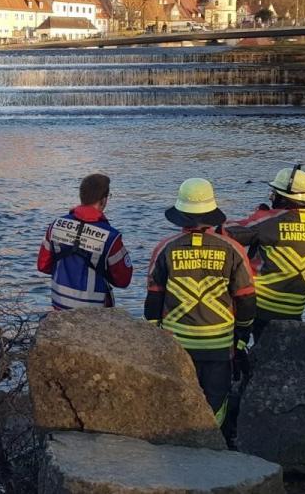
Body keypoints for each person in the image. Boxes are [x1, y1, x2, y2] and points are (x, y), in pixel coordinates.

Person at [145, 178, 256, 430]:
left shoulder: (164, 249)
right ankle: (213, 444)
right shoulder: (233, 249)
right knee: (216, 402)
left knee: (177, 400)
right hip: (218, 344)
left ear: (181, 216)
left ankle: (176, 446)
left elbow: (153, 300)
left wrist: (155, 337)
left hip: (177, 345)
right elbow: (246, 299)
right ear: (212, 215)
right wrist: (240, 340)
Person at [227, 167, 305, 342]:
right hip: (295, 310)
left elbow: (226, 232)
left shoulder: (270, 221)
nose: (271, 197)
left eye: (274, 193)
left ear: (283, 197)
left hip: (259, 306)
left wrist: (258, 215)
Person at [37, 173, 132, 310]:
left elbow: (43, 265)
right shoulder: (111, 237)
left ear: (82, 196)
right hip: (93, 313)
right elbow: (123, 280)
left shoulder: (56, 225)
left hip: (59, 306)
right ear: (103, 200)